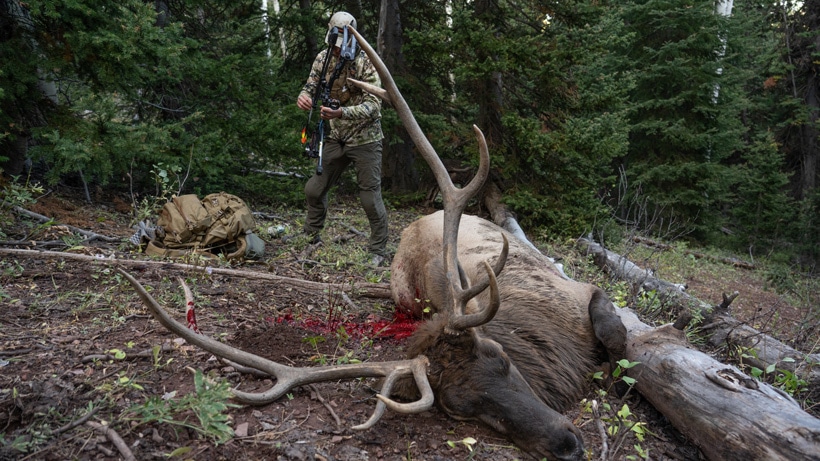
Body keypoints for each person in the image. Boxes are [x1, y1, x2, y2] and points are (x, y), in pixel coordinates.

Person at [296, 11, 388, 266]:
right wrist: (304, 96)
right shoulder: (323, 58)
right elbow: (310, 86)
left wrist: (342, 112)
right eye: (334, 43)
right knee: (314, 189)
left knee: (369, 197)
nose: (337, 50)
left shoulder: (367, 62)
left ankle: (378, 250)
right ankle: (311, 236)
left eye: (341, 45)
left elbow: (374, 106)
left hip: (365, 138)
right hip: (336, 137)